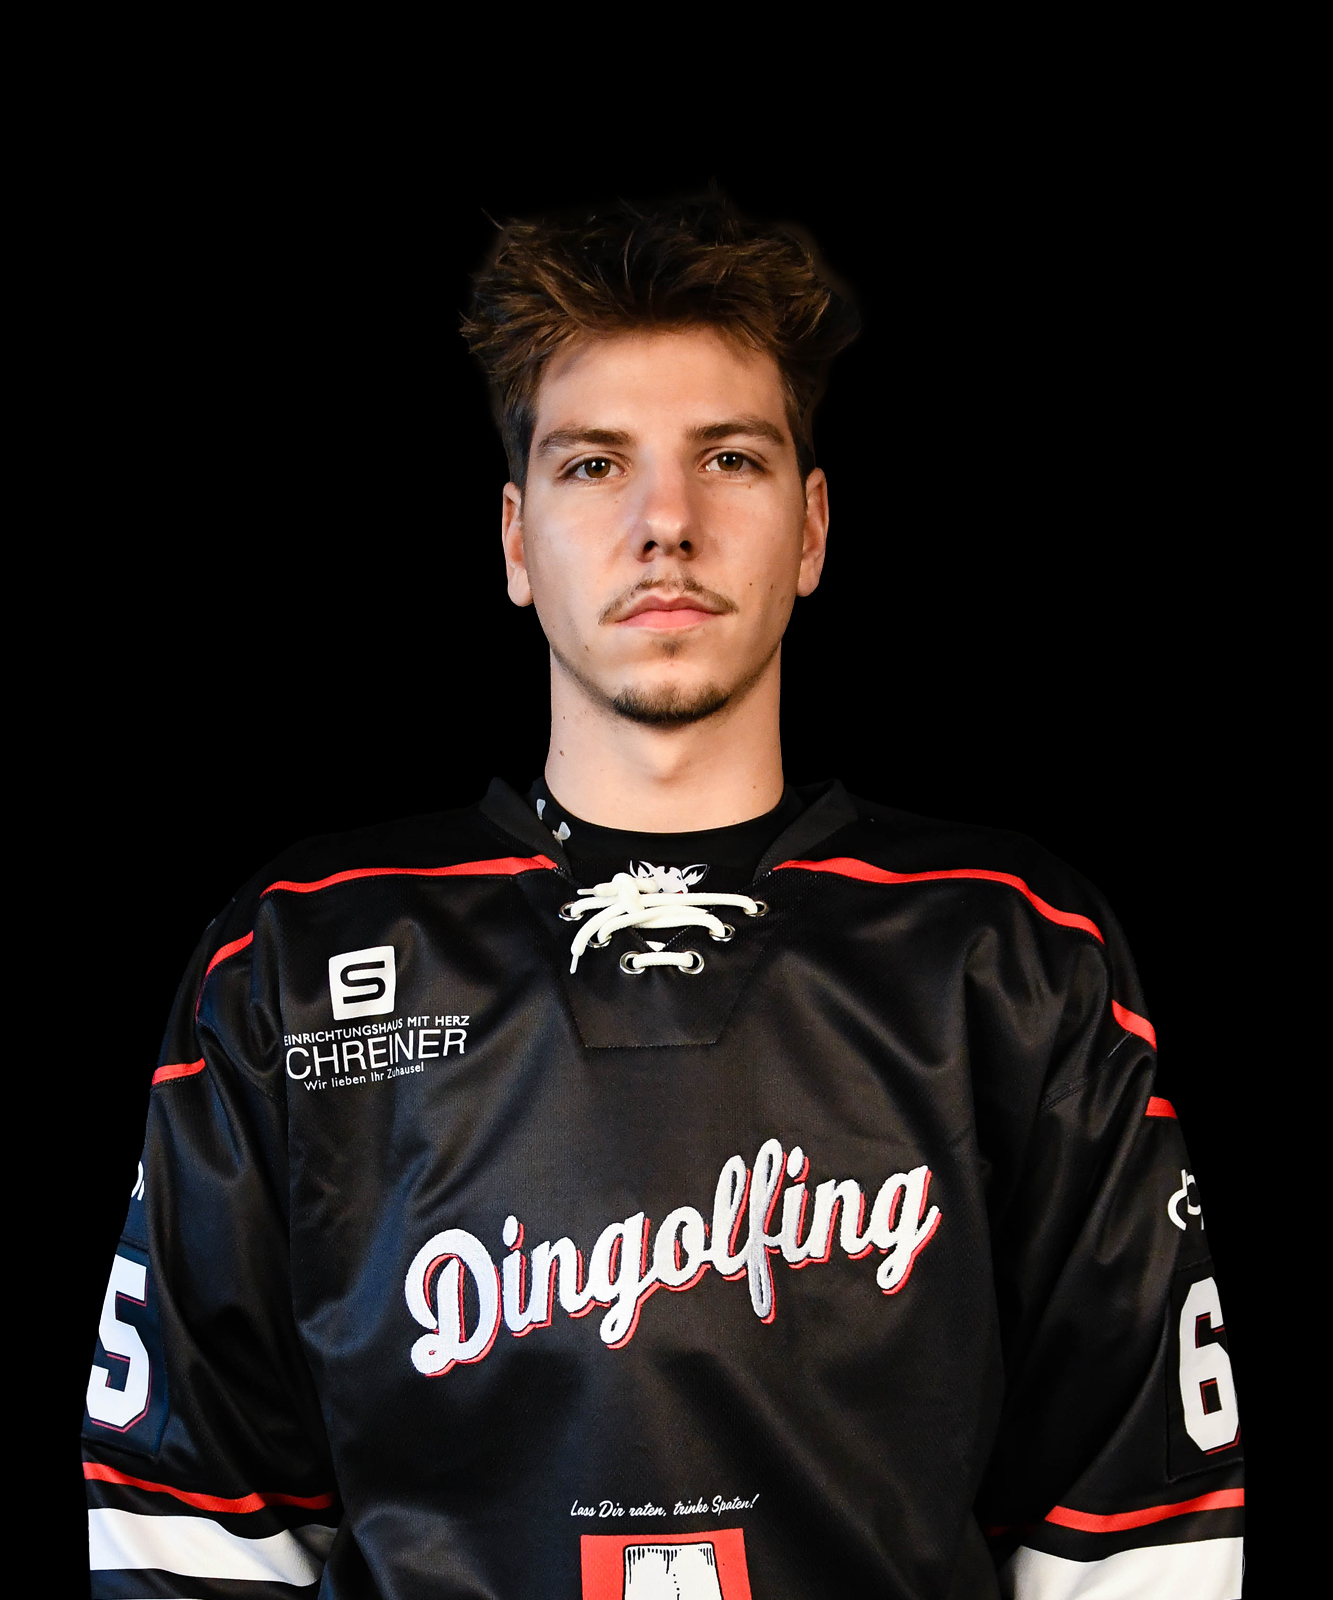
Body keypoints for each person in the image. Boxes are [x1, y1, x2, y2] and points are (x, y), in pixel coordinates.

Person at [81, 196, 1244, 1599]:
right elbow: (188, 1523)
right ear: (515, 542)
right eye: (593, 465)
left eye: (729, 458)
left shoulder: (1009, 947)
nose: (665, 524)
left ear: (812, 528)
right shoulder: (297, 954)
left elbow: (1136, 1518)